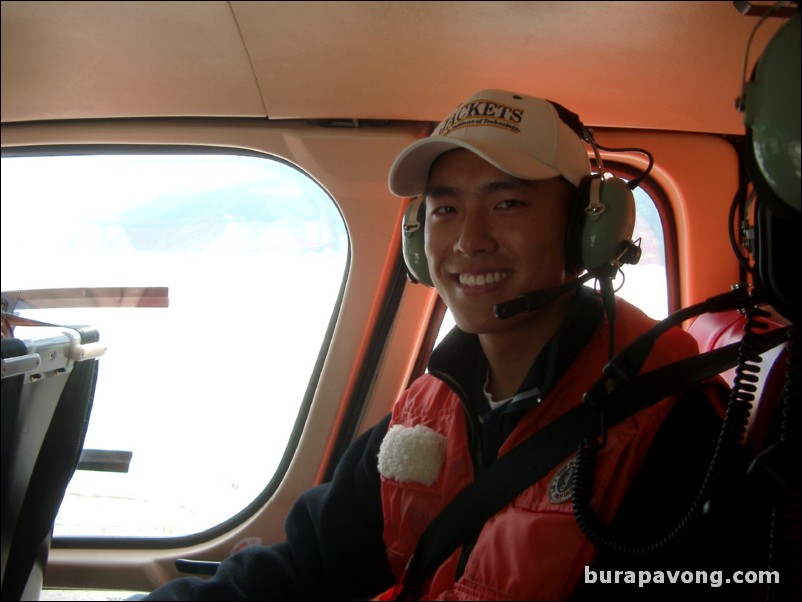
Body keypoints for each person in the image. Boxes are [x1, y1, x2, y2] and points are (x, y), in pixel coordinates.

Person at [143, 90, 762, 601]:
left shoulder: (671, 423)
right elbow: (308, 567)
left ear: (586, 231)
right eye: (445, 210)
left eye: (509, 202)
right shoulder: (429, 408)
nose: (470, 241)